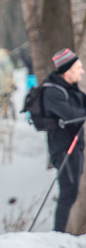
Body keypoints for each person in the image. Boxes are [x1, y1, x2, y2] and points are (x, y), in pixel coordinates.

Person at [42, 49, 86, 232]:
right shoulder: (53, 91)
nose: (82, 71)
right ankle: (58, 234)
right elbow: (71, 114)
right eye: (78, 67)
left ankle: (60, 233)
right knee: (68, 191)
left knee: (72, 191)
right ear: (67, 70)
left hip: (75, 145)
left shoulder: (72, 90)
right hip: (63, 147)